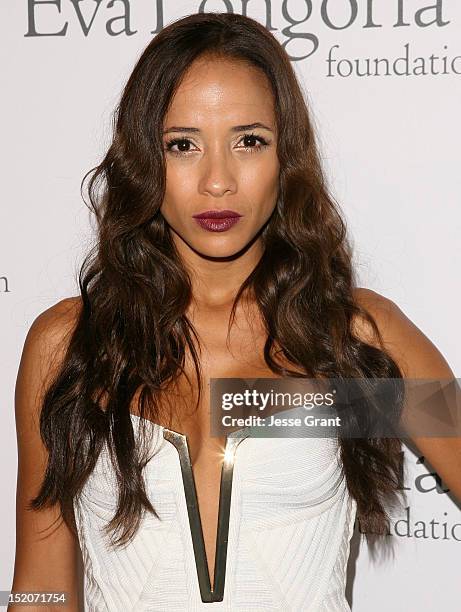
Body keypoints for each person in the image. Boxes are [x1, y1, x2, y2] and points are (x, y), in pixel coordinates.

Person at [10, 11, 460, 612]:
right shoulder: (70, 346)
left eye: (249, 141)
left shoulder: (354, 338)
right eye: (182, 144)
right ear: (145, 157)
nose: (217, 181)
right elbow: (41, 589)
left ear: (287, 157)